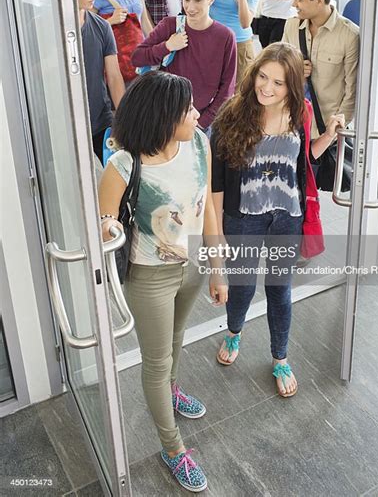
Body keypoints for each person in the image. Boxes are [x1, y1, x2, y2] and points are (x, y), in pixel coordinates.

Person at [99, 72, 227, 493]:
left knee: (176, 339)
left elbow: (207, 206)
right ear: (163, 117)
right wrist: (104, 227)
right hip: (150, 276)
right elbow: (105, 224)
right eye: (187, 109)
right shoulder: (123, 165)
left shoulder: (199, 145)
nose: (196, 113)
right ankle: (173, 449)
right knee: (155, 362)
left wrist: (215, 267)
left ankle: (172, 393)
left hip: (190, 266)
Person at [211, 43, 344, 397]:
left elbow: (302, 162)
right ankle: (234, 331)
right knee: (242, 286)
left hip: (286, 217)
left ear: (292, 87)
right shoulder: (232, 114)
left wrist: (328, 136)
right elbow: (217, 180)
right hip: (243, 219)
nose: (267, 88)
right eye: (263, 77)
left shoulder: (300, 111)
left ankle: (280, 358)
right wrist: (219, 232)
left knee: (279, 290)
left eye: (279, 83)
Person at [131, 0, 237, 133]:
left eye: (198, 0)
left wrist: (201, 122)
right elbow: (137, 58)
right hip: (164, 116)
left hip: (200, 122)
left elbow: (227, 89)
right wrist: (167, 46)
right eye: (186, 0)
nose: (190, 7)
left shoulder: (225, 37)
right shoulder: (169, 26)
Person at [282, 0, 359, 138]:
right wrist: (295, 70)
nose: (293, 4)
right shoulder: (291, 26)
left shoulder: (350, 36)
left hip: (324, 130)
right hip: (290, 122)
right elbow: (279, 69)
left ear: (319, 1)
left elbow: (352, 91)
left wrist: (334, 132)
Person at [74, 0, 125, 161]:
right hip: (65, 123)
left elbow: (114, 77)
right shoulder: (46, 26)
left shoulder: (102, 27)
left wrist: (123, 118)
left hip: (99, 122)